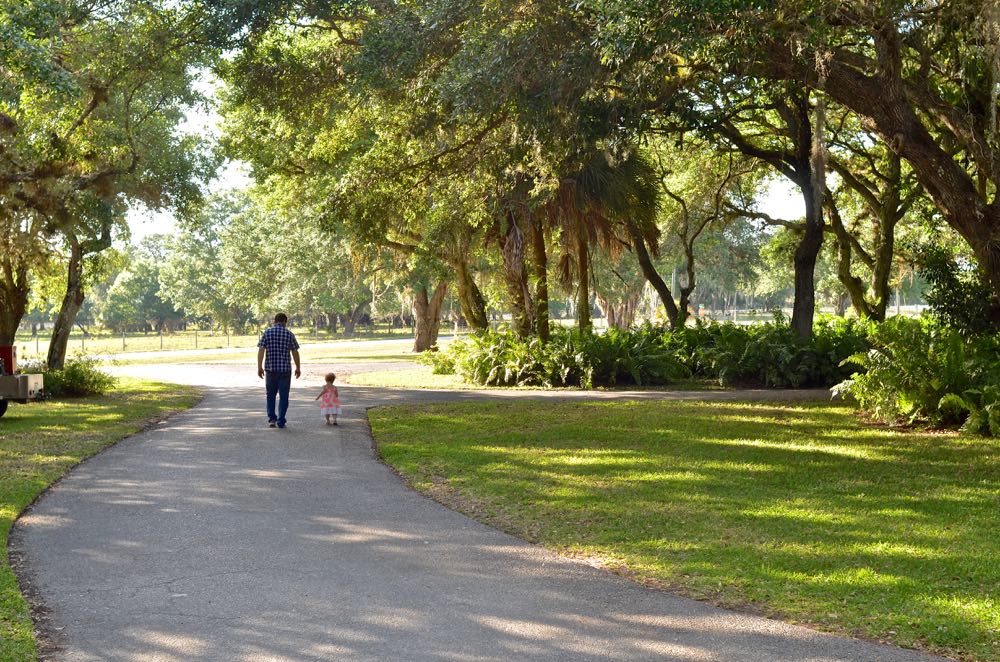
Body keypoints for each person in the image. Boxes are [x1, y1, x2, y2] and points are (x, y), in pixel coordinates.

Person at [257, 313, 301, 428]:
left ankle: (272, 419)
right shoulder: (289, 334)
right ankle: (281, 420)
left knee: (270, 395)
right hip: (285, 370)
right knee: (284, 396)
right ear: (285, 321)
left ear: (274, 321)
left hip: (270, 369)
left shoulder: (267, 333)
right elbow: (295, 352)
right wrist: (298, 367)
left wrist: (259, 367)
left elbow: (261, 350)